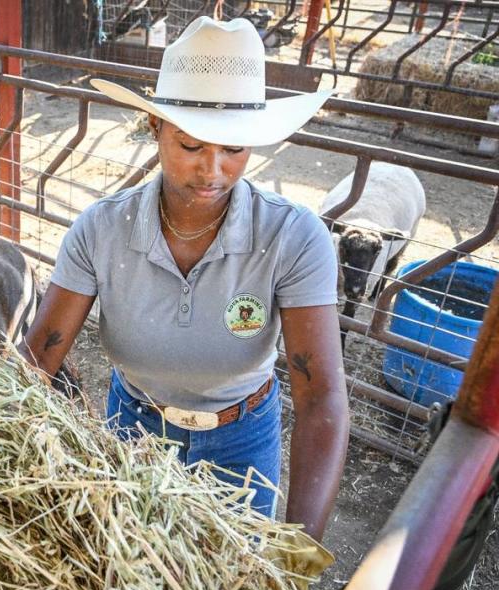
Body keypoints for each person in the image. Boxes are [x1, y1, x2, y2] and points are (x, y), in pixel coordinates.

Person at [20, 16, 349, 541]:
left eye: (235, 148)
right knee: (126, 571)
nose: (212, 171)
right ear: (155, 129)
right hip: (133, 432)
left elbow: (321, 397)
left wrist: (299, 547)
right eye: (192, 146)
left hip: (240, 440)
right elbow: (37, 361)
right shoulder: (102, 231)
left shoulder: (293, 237)